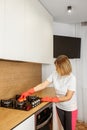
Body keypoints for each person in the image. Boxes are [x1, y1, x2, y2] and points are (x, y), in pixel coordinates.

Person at [18, 55, 78, 130]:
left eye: (57, 67)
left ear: (63, 67)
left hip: (70, 108)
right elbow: (43, 85)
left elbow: (68, 97)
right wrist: (29, 91)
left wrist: (52, 99)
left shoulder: (72, 78)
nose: (56, 69)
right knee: (64, 127)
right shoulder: (55, 73)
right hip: (59, 106)